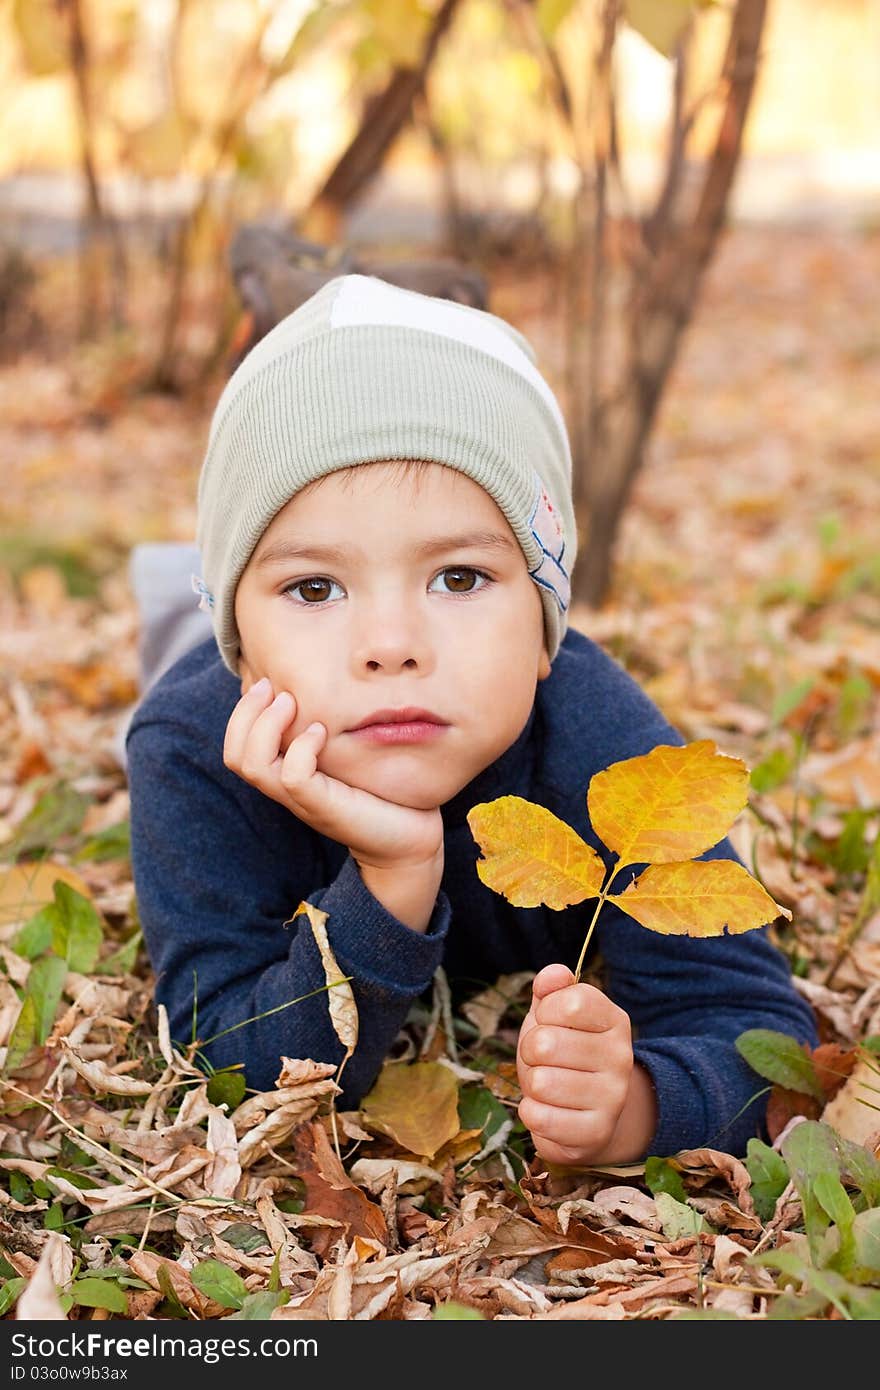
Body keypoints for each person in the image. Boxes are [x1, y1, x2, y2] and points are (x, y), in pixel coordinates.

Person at [125, 273, 817, 1168]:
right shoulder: (188, 748)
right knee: (181, 627)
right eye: (314, 587)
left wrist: (636, 1108)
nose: (391, 643)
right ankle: (213, 556)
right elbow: (227, 1057)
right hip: (219, 664)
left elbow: (751, 1025)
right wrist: (391, 878)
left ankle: (418, 303)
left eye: (459, 578)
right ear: (247, 654)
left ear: (544, 629)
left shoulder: (600, 747)